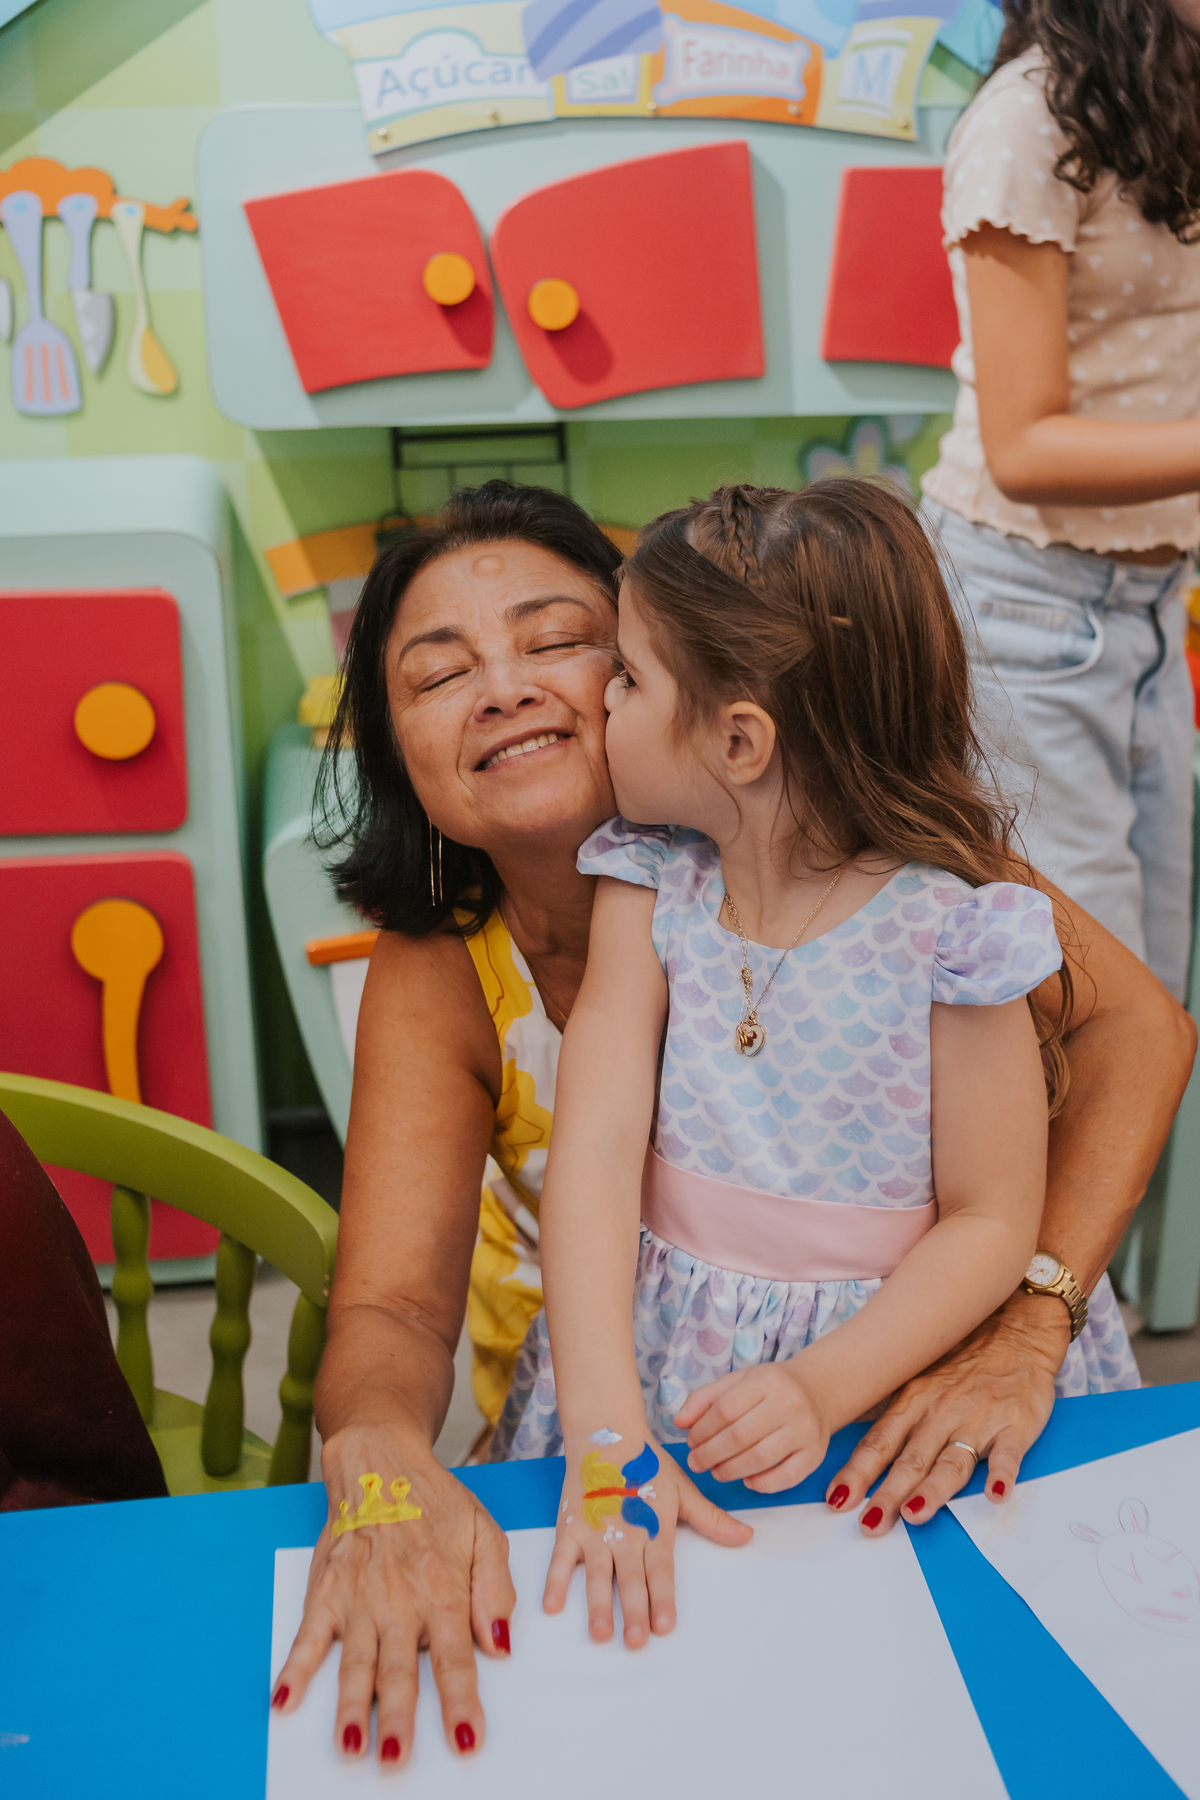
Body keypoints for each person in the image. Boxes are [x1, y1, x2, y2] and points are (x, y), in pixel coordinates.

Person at [271, 481, 1194, 1767]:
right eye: (438, 674)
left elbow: (1131, 1038)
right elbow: (410, 1296)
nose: (505, 688)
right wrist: (398, 1453)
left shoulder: (915, 880)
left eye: (559, 644)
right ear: (391, 743)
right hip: (635, 1384)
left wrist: (1029, 1318)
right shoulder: (515, 942)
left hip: (901, 1363)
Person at [505, 478, 1102, 1638]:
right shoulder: (647, 883)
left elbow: (991, 1218)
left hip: (894, 1367)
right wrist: (607, 1432)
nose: (601, 701)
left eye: (628, 676)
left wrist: (823, 1386)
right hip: (656, 1355)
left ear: (738, 739)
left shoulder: (957, 931)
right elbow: (592, 1158)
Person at [921, 0, 1200, 1001]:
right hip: (1023, 612)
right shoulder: (1027, 122)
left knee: (1152, 1010)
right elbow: (1024, 448)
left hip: (1150, 610)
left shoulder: (1171, 106)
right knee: (1090, 1013)